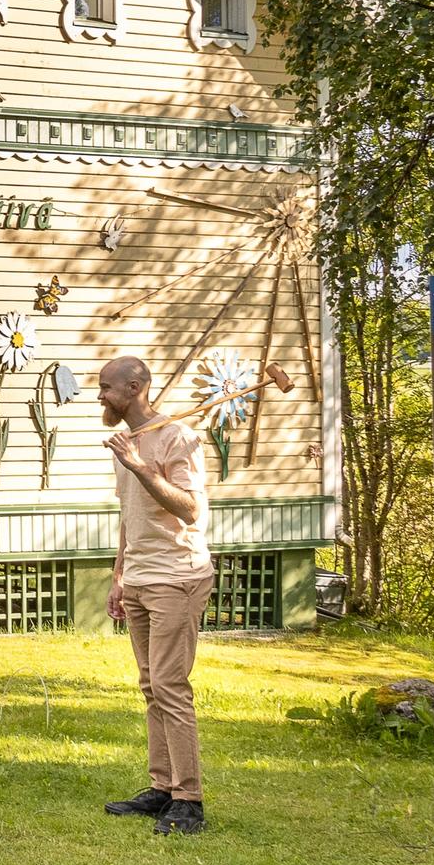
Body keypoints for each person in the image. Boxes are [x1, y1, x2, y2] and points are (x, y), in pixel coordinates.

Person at [93, 354, 255, 838]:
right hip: (142, 576)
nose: (100, 396)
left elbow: (191, 511)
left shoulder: (179, 438)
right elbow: (130, 516)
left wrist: (142, 466)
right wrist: (120, 576)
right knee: (151, 687)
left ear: (136, 386)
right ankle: (163, 788)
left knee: (170, 687)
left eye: (106, 387)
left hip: (177, 576)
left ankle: (189, 801)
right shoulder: (128, 441)